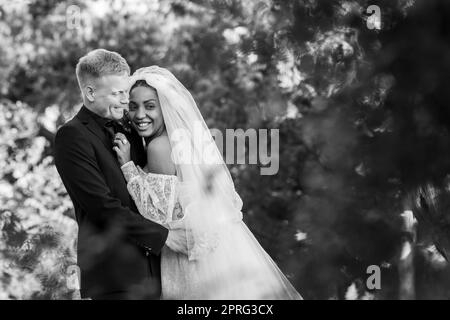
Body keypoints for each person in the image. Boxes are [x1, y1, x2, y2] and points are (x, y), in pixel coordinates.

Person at [113, 66, 302, 299]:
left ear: (165, 108)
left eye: (150, 106)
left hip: (188, 257)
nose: (140, 114)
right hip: (221, 250)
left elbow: (160, 215)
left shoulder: (159, 147)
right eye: (133, 106)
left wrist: (128, 168)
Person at [54, 49, 188, 300]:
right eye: (118, 93)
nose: (126, 100)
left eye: (125, 91)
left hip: (158, 272)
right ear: (90, 92)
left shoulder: (129, 128)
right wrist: (165, 237)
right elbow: (102, 207)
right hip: (115, 277)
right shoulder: (72, 136)